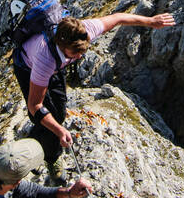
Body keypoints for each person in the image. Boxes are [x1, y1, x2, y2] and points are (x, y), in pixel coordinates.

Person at [13, 10, 175, 166]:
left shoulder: (85, 31)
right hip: (27, 67)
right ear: (61, 45)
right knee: (43, 117)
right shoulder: (45, 59)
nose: (79, 56)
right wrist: (60, 131)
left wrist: (151, 21)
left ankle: (43, 140)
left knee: (59, 112)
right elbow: (35, 105)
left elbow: (118, 18)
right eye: (74, 53)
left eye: (82, 51)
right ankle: (47, 158)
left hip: (56, 66)